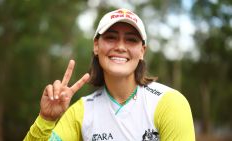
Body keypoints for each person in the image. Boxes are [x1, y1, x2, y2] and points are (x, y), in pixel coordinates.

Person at [24, 8, 195, 141]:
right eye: (111, 37)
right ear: (96, 45)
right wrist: (45, 119)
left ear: (142, 51)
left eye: (131, 39)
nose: (120, 46)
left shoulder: (169, 102)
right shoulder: (81, 111)